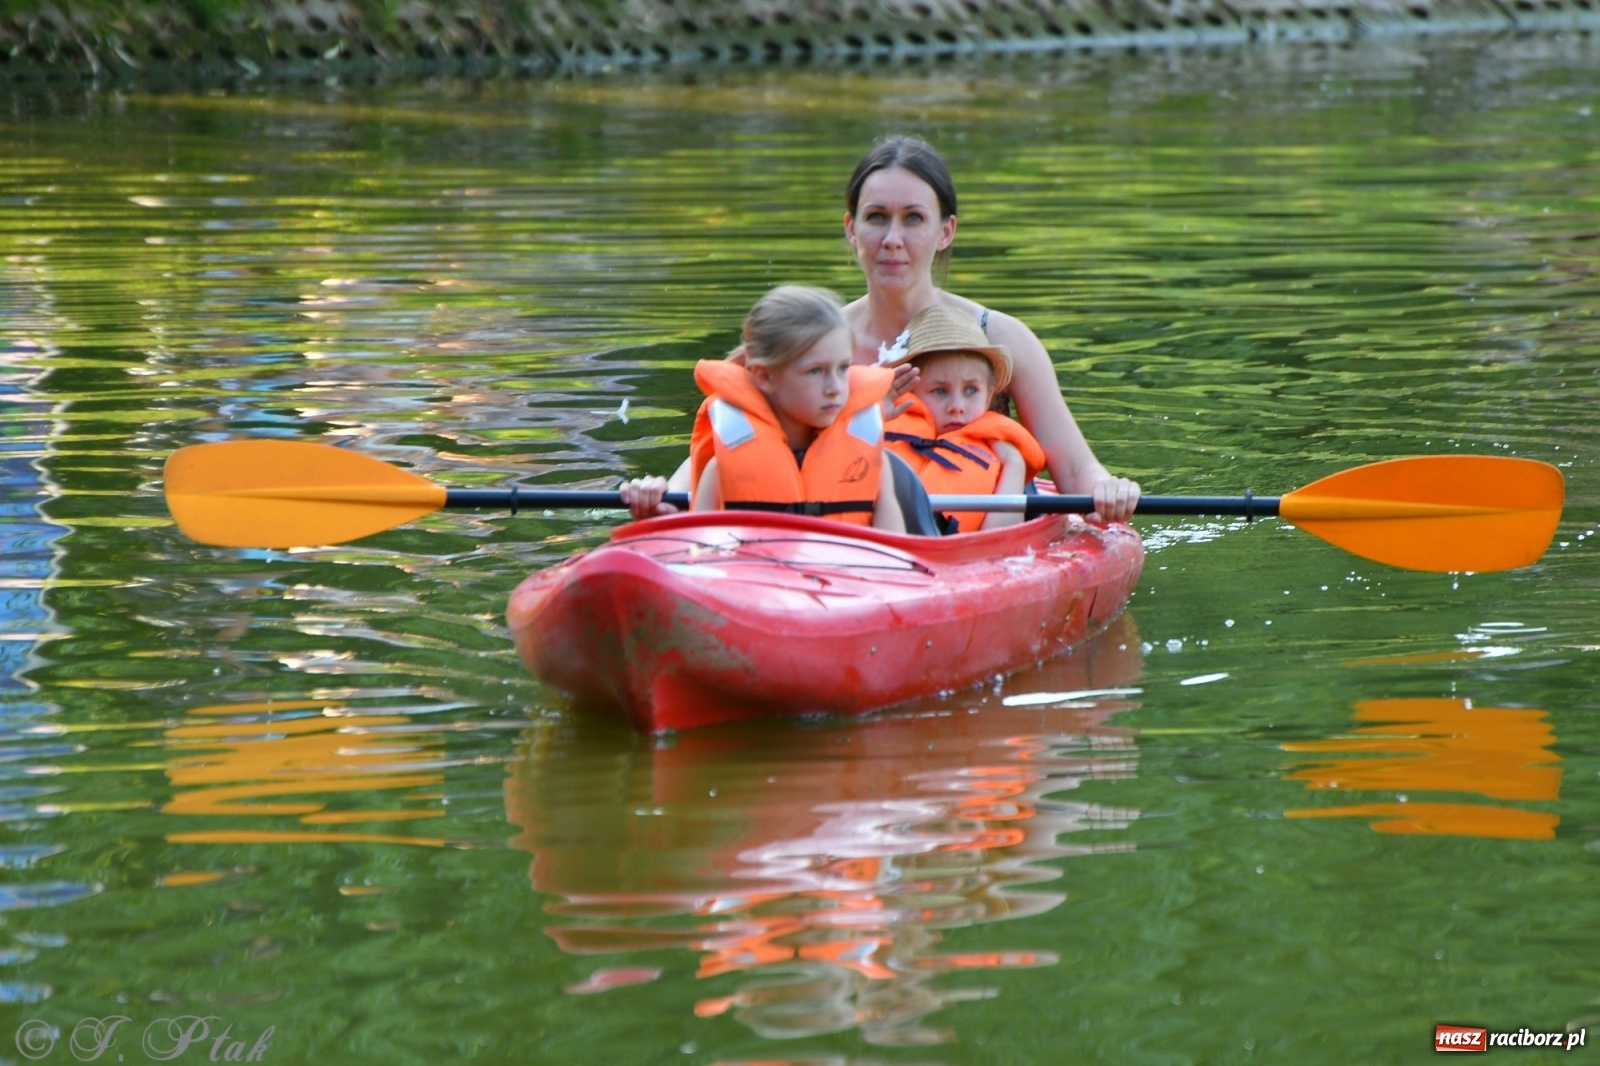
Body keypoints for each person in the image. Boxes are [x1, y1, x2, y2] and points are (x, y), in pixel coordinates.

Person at [841, 135, 1140, 524]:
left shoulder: (1001, 337)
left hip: (986, 539)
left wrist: (1109, 489)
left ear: (946, 231)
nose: (892, 239)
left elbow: (1077, 470)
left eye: (913, 218)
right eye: (876, 217)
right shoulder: (817, 345)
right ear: (852, 228)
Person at [621, 285, 905, 533]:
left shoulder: (873, 465)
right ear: (765, 376)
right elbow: (699, 554)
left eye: (843, 368)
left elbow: (898, 560)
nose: (835, 387)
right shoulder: (721, 470)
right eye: (815, 371)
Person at [880, 304, 1045, 533]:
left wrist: (1014, 463)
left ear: (989, 395)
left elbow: (998, 539)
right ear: (909, 390)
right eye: (939, 391)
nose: (956, 406)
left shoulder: (1001, 452)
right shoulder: (879, 426)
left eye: (970, 390)